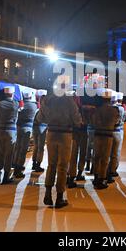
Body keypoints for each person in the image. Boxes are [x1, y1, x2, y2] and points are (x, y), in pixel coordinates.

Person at [36, 76, 83, 208]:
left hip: (51, 133)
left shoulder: (47, 100)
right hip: (65, 135)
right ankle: (60, 197)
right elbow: (77, 120)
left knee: (51, 164)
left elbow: (40, 118)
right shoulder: (69, 101)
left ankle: (47, 194)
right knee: (62, 166)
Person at [91, 89, 120, 190]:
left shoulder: (97, 110)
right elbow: (117, 121)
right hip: (108, 135)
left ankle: (95, 176)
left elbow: (93, 121)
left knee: (96, 157)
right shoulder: (114, 110)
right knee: (105, 158)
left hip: (98, 134)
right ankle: (101, 179)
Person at [0, 86, 20, 185]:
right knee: (8, 155)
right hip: (11, 130)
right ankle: (6, 176)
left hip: (0, 129)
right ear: (12, 94)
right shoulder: (15, 104)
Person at [67, 92, 90, 188]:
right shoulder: (82, 108)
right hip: (80, 133)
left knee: (73, 155)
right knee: (79, 154)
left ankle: (71, 175)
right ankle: (76, 174)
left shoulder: (71, 109)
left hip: (74, 133)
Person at [13, 90, 38, 178]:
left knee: (17, 147)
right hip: (27, 128)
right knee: (23, 150)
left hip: (18, 127)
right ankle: (18, 169)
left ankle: (15, 164)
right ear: (30, 96)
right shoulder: (34, 105)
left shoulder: (20, 105)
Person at [109, 92, 126, 181]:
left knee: (108, 152)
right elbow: (123, 119)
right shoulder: (121, 109)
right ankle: (113, 170)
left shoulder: (109, 108)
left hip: (108, 132)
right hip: (118, 131)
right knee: (116, 152)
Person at [32, 90, 48, 172]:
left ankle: (33, 163)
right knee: (40, 147)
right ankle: (38, 165)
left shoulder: (37, 108)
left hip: (35, 127)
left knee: (36, 146)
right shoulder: (45, 109)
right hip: (42, 127)